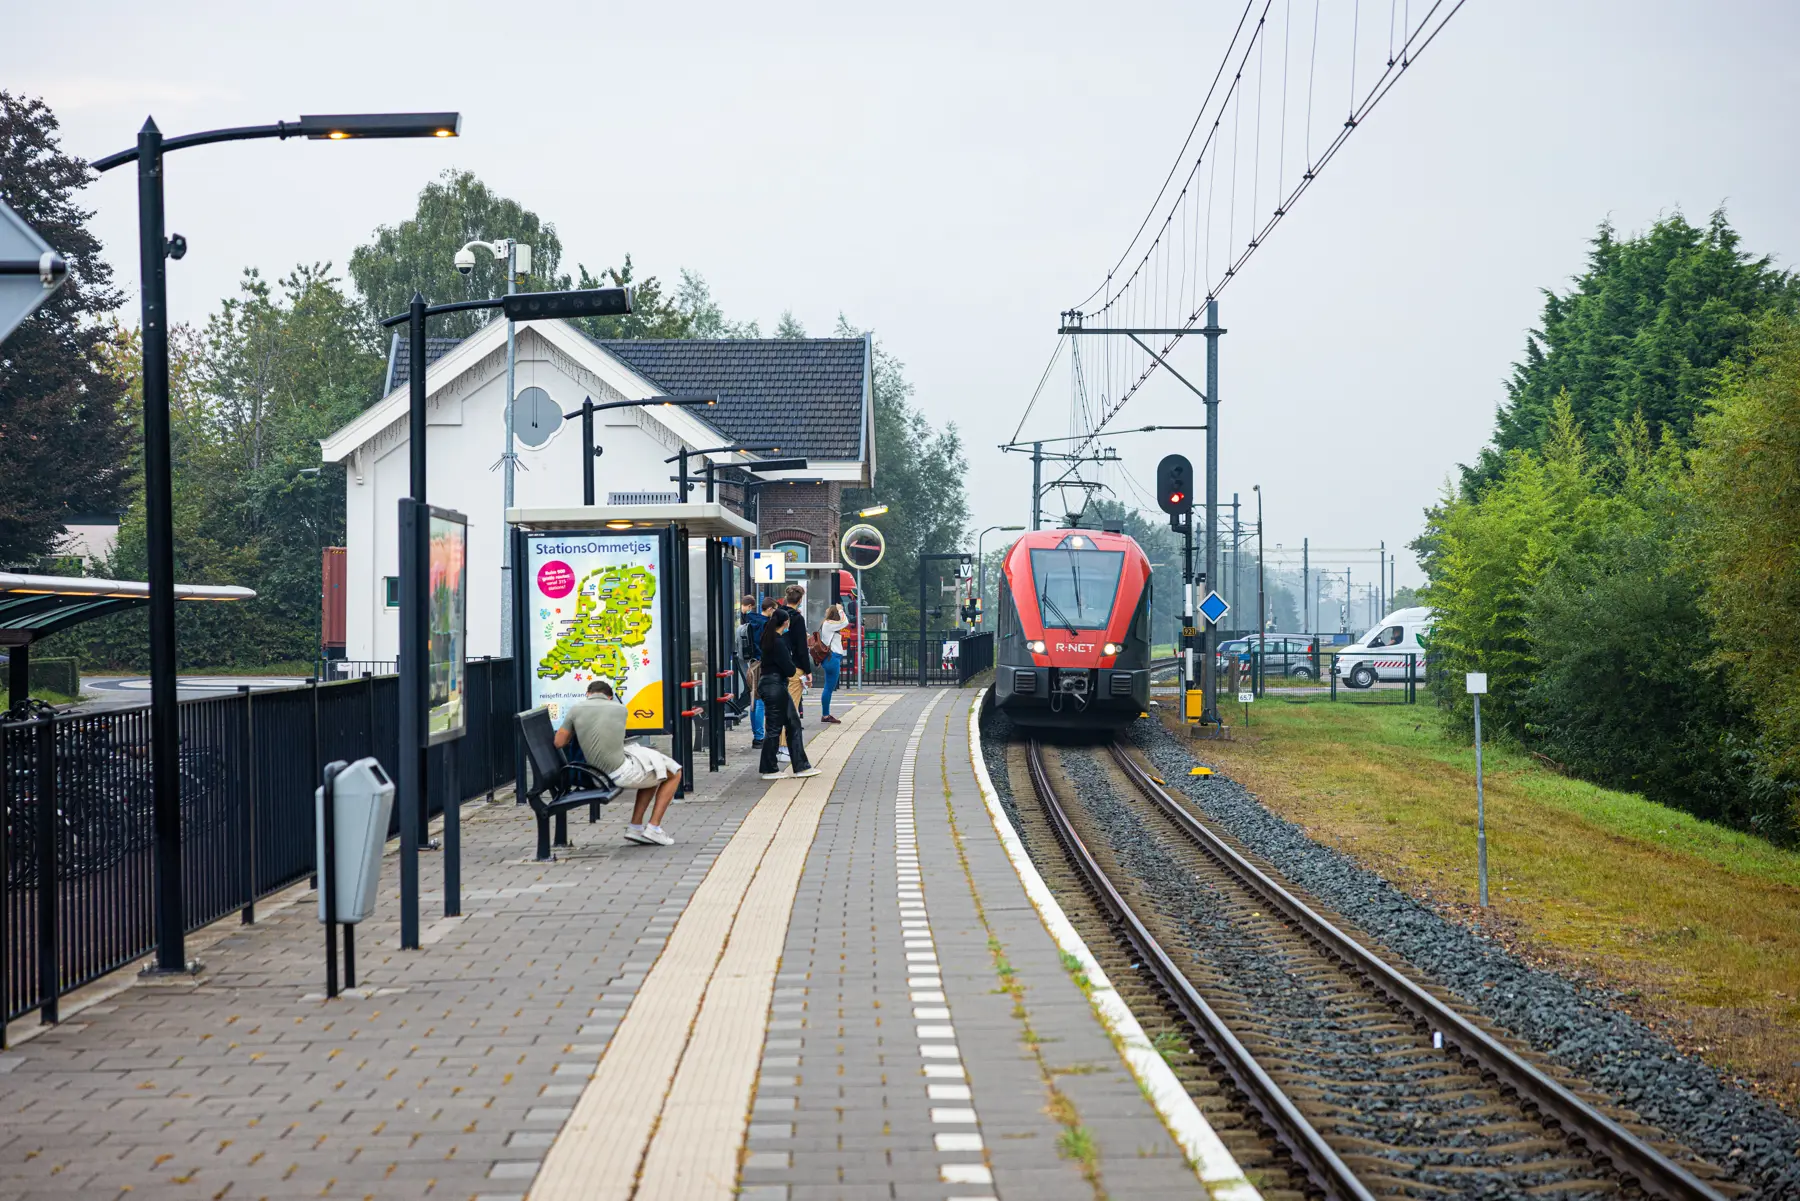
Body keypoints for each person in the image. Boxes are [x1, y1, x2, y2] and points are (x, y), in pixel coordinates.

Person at [554, 679, 683, 846]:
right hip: (615, 773)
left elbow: (559, 742)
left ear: (588, 694)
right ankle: (654, 828)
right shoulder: (621, 709)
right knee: (674, 773)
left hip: (593, 774)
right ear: (609, 697)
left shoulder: (576, 709)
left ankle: (636, 828)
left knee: (654, 769)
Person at [758, 608, 820, 780]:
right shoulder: (778, 643)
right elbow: (789, 668)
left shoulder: (768, 638)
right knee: (778, 727)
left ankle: (798, 766)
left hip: (770, 685)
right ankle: (773, 768)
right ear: (786, 623)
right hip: (775, 686)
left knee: (790, 724)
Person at [738, 594, 770, 747]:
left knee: (754, 698)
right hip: (761, 662)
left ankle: (757, 735)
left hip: (750, 663)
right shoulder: (763, 622)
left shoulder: (747, 620)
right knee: (760, 701)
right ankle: (759, 738)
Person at [779, 583, 813, 724]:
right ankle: (784, 744)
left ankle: (776, 742)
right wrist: (808, 670)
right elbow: (801, 648)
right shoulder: (798, 619)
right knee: (791, 706)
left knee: (778, 707)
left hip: (778, 666)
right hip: (794, 668)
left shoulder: (777, 615)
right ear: (800, 600)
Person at [817, 603, 849, 724]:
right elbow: (845, 622)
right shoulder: (829, 624)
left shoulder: (829, 624)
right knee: (829, 688)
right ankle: (825, 715)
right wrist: (841, 610)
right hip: (832, 658)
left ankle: (825, 714)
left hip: (831, 658)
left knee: (828, 687)